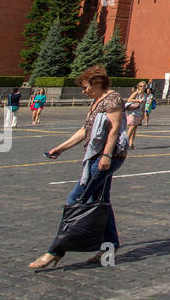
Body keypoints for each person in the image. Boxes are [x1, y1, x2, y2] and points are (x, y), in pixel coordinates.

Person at [29, 66, 128, 270]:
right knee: (101, 200)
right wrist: (61, 148)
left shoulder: (113, 99)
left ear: (97, 83)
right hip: (95, 156)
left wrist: (107, 155)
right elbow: (86, 130)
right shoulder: (97, 101)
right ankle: (111, 246)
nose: (84, 91)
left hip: (105, 158)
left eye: (85, 87)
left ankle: (55, 251)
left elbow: (115, 129)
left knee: (76, 199)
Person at [124, 82, 147, 149]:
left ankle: (131, 144)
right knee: (131, 127)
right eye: (141, 86)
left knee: (135, 129)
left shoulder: (145, 95)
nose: (143, 87)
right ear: (138, 87)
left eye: (144, 86)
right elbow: (129, 99)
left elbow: (144, 105)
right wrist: (138, 100)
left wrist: (143, 113)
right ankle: (125, 143)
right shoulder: (136, 93)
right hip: (132, 112)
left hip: (139, 113)